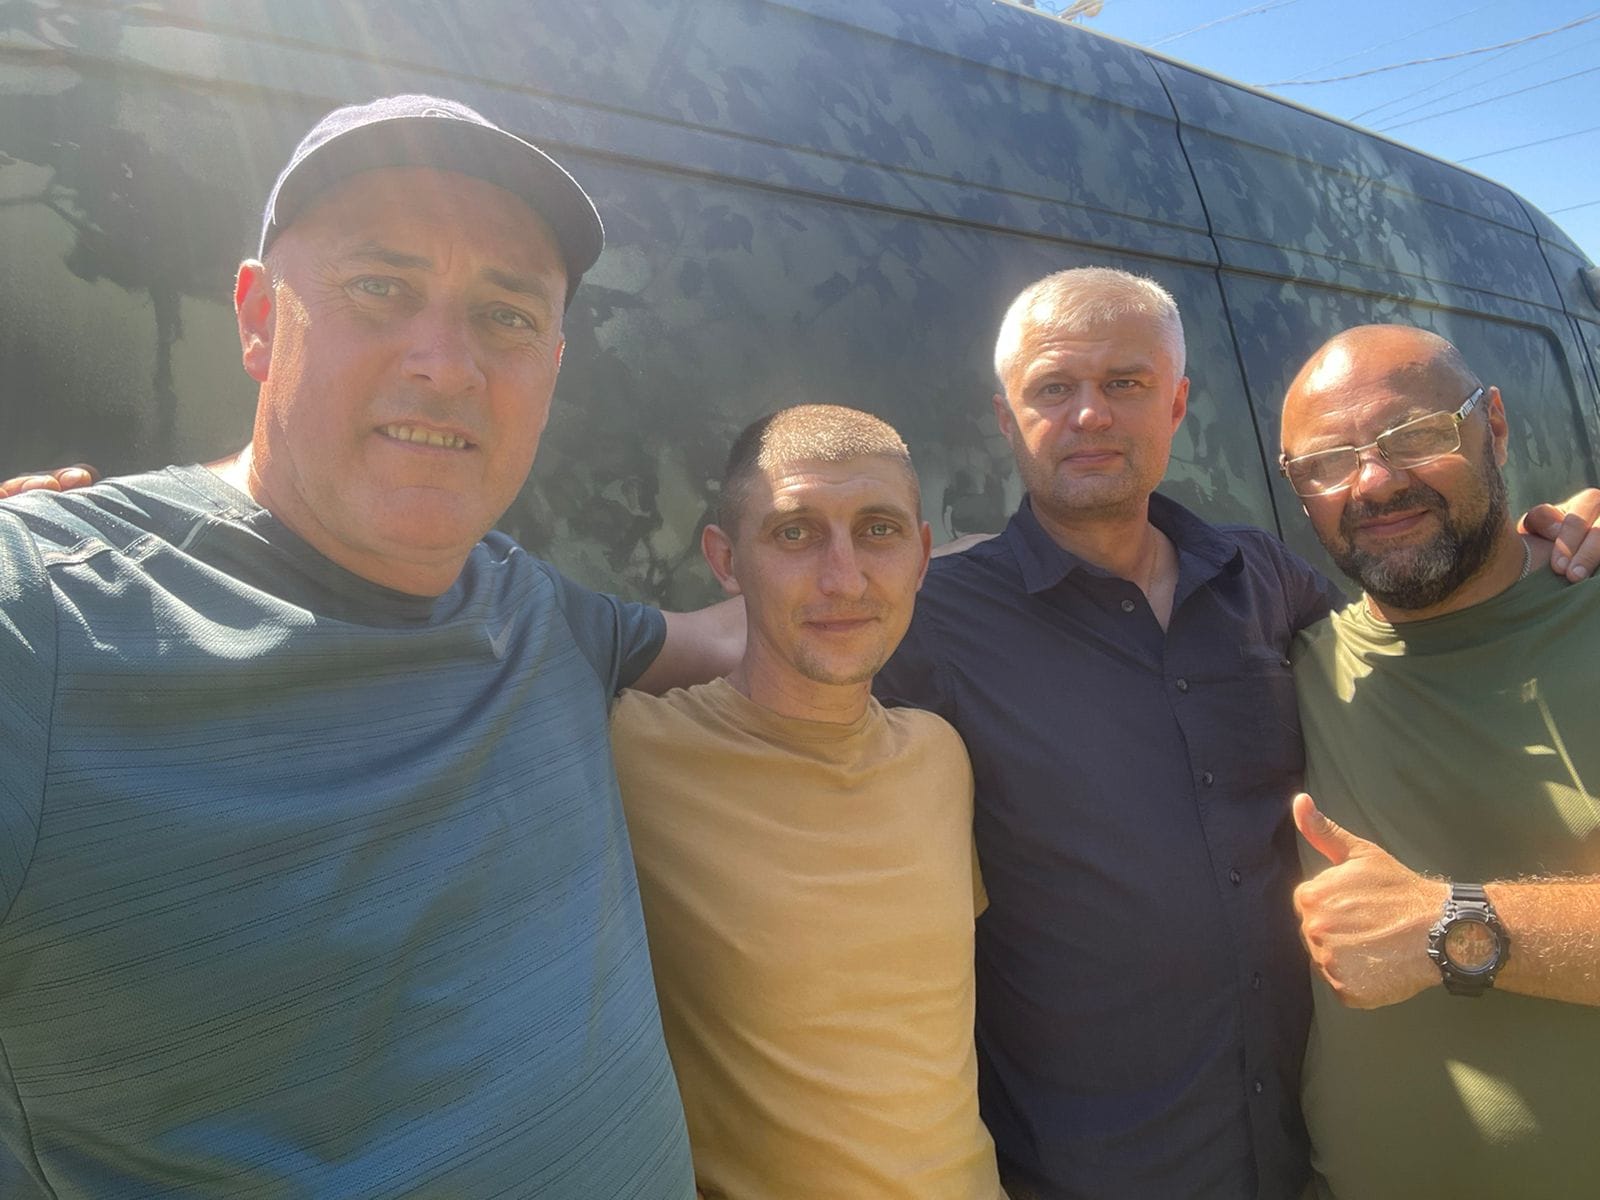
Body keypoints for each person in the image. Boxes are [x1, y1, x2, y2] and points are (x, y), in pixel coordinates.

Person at [0, 94, 736, 1197]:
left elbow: (745, 632)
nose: (447, 363)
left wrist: (953, 557)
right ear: (258, 319)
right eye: (380, 287)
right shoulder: (42, 616)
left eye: (507, 315)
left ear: (553, 365)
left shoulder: (540, 610)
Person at [872, 267, 1600, 1200]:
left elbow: (1434, 602)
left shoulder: (1263, 583)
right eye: (1053, 388)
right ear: (1007, 420)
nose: (1090, 414)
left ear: (1177, 405)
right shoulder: (926, 620)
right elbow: (792, 638)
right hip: (1096, 1175)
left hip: (1299, 1166)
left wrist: (1559, 537)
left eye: (1126, 382)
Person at [611, 404, 1003, 1199]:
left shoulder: (940, 756)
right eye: (795, 533)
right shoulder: (629, 752)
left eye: (879, 531)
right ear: (726, 560)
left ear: (923, 556)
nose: (844, 579)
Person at [1280, 325, 1600, 1200]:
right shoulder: (1297, 664)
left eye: (1414, 435)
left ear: (1493, 424)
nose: (1373, 482)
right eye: (1328, 462)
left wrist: (1458, 926)